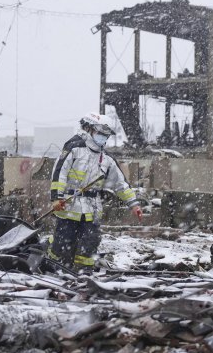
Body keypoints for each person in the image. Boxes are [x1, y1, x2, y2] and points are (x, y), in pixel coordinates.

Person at [48, 112, 142, 272]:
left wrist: (133, 204)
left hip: (92, 209)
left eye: (106, 135)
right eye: (101, 133)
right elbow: (59, 173)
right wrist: (56, 198)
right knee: (63, 244)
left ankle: (83, 273)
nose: (103, 138)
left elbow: (121, 184)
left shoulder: (106, 158)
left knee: (90, 243)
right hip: (69, 207)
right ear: (88, 129)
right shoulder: (74, 148)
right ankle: (56, 269)